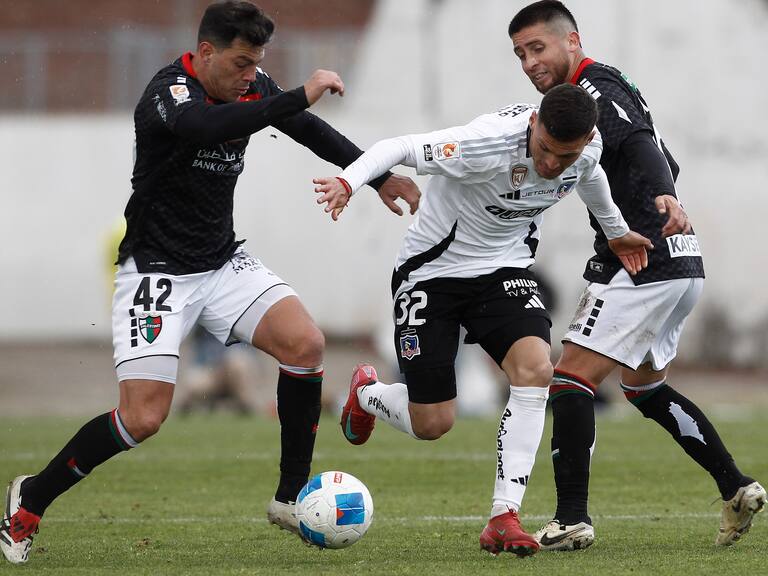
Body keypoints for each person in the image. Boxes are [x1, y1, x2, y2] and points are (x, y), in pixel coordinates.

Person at [0, 1, 420, 565]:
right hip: (157, 272)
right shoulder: (168, 93)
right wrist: (293, 94)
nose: (251, 76)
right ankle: (29, 500)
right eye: (242, 64)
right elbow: (205, 126)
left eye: (257, 66)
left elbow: (304, 127)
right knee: (143, 418)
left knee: (306, 344)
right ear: (205, 53)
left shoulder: (252, 86)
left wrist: (376, 176)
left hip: (220, 263)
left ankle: (290, 496)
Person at [314, 83, 653, 556]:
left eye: (566, 155)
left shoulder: (585, 150)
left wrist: (615, 232)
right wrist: (349, 182)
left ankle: (504, 516)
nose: (553, 165)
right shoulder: (486, 143)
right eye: (547, 151)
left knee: (536, 370)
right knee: (432, 423)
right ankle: (367, 393)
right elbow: (400, 147)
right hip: (432, 273)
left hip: (504, 271)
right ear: (534, 125)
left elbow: (591, 175)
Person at [508, 0, 765, 551]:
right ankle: (736, 486)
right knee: (644, 388)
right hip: (679, 260)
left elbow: (642, 145)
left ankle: (571, 518)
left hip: (646, 258)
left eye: (538, 47)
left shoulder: (594, 89)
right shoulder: (594, 92)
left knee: (571, 379)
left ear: (572, 41)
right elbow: (654, 150)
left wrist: (662, 195)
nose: (530, 62)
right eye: (520, 54)